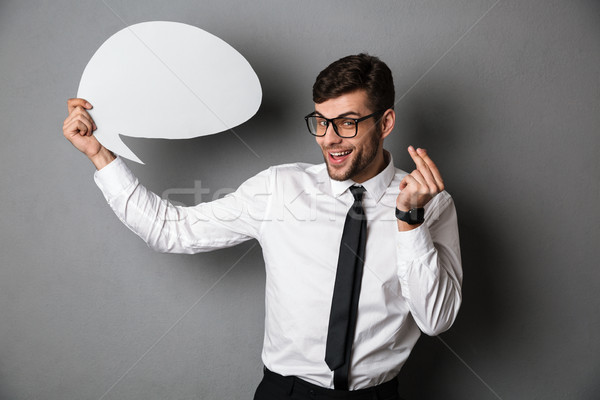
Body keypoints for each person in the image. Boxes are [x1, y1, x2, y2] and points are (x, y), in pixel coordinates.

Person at [62, 53, 462, 400]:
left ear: (386, 121)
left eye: (347, 123)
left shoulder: (434, 204)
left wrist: (410, 221)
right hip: (284, 395)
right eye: (320, 122)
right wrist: (99, 154)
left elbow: (436, 319)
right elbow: (171, 230)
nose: (329, 139)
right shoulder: (279, 187)